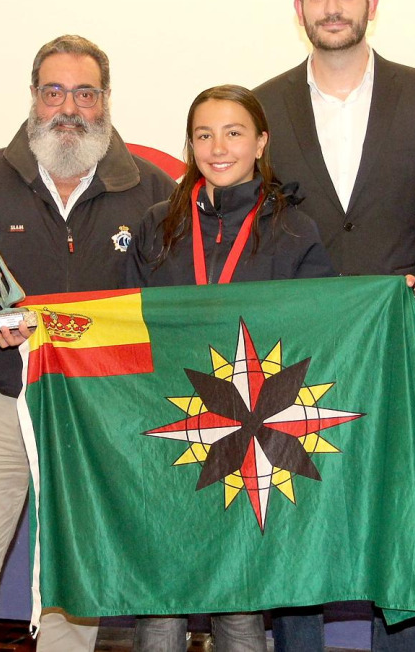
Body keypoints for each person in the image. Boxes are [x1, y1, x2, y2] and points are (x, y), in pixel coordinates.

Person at [0, 35, 175, 652]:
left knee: (74, 574)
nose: (68, 108)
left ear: (106, 100)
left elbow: (174, 305)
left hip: (96, 412)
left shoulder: (153, 191)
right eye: (54, 92)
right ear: (33, 97)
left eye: (85, 94)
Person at [253, 0, 415, 651]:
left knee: (393, 525)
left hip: (391, 347)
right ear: (299, 8)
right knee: (294, 526)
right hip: (293, 353)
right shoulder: (264, 104)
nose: (332, 8)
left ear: (371, 2)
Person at [127, 84, 335, 651]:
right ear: (190, 145)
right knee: (161, 597)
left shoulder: (295, 230)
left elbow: (323, 331)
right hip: (167, 428)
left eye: (233, 132)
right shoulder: (157, 224)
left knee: (240, 600)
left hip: (252, 437)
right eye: (203, 135)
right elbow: (125, 323)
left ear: (261, 142)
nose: (218, 148)